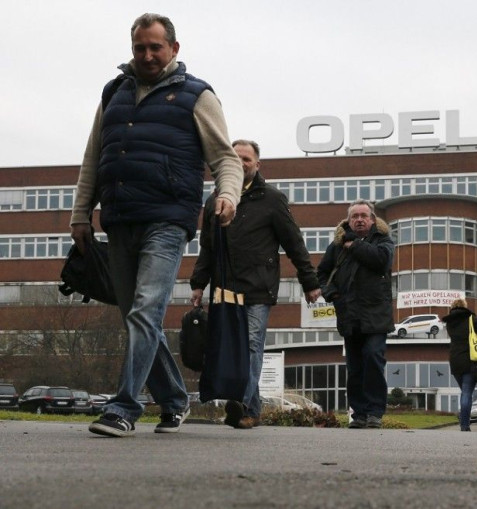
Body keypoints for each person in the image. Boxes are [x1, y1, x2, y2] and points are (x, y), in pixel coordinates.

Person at [70, 13, 243, 437]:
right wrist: (80, 213)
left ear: (174, 49)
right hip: (121, 218)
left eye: (155, 47)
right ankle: (174, 398)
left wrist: (227, 195)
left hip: (168, 219)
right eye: (140, 48)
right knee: (135, 314)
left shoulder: (197, 95)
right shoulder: (113, 93)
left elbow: (225, 158)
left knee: (147, 308)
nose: (147, 55)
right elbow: (94, 156)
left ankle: (124, 407)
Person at [190, 140, 321, 429]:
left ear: (257, 165)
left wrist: (309, 281)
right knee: (230, 348)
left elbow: (294, 241)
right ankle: (251, 409)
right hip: (224, 287)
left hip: (257, 287)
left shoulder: (272, 199)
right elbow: (207, 247)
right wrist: (198, 283)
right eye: (236, 157)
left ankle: (244, 406)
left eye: (247, 158)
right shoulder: (215, 201)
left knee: (251, 346)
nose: (242, 162)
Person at [317, 199, 395, 429]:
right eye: (355, 216)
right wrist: (333, 295)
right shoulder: (337, 246)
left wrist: (355, 244)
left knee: (373, 357)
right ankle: (359, 414)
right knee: (355, 367)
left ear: (372, 219)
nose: (359, 219)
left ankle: (374, 412)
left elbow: (381, 262)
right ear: (348, 220)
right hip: (349, 314)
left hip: (376, 314)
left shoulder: (384, 241)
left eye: (364, 215)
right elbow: (321, 274)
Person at [441, 298, 477, 432]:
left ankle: (464, 422)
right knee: (467, 393)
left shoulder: (449, 323)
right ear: (465, 306)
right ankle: (464, 425)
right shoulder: (471, 319)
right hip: (470, 360)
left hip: (455, 361)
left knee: (465, 392)